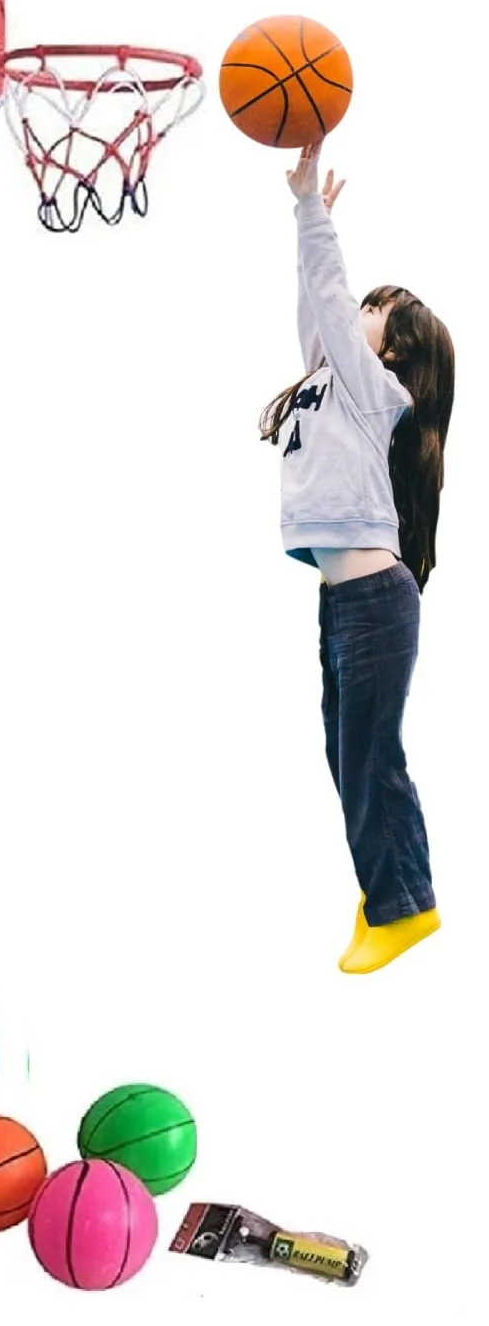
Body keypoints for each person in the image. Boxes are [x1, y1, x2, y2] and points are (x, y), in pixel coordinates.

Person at [261, 141, 454, 973]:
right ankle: (386, 890)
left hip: (373, 599)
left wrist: (313, 213)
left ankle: (405, 905)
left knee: (370, 755)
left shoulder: (378, 392)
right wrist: (306, 219)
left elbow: (333, 306)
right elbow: (319, 307)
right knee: (347, 755)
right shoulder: (329, 378)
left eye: (376, 308)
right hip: (346, 603)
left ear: (393, 349)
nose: (356, 308)